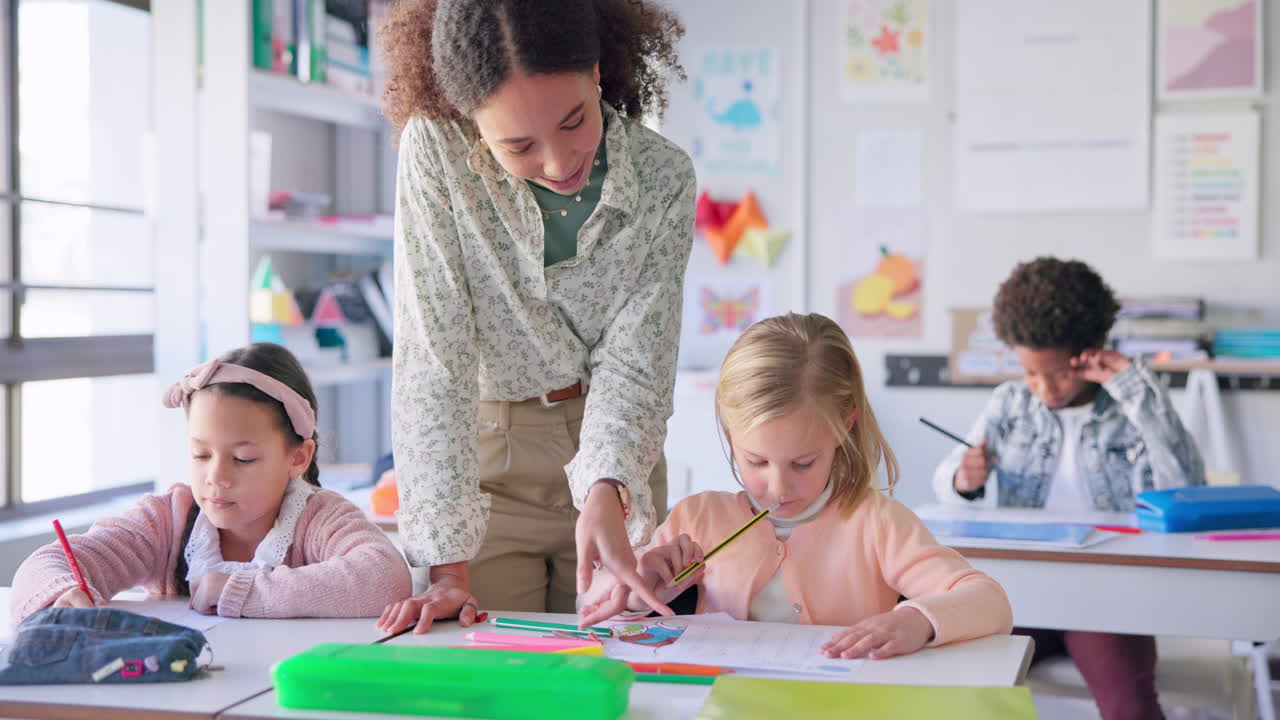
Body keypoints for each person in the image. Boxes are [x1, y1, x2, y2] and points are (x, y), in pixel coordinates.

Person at [375, 0, 696, 635]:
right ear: (471, 119)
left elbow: (636, 361)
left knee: (616, 664)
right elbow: (433, 359)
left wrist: (609, 487)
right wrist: (447, 568)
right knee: (488, 670)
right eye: (518, 145)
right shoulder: (436, 150)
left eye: (575, 121)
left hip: (612, 458)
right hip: (484, 473)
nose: (558, 162)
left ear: (596, 72)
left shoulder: (663, 177)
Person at [581, 313, 1012, 661]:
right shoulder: (697, 518)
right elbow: (592, 610)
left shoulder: (877, 523)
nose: (778, 487)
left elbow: (991, 602)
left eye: (803, 463)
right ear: (730, 432)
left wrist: (916, 620)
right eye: (756, 461)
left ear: (845, 426)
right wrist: (638, 595)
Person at [933, 257, 1206, 720]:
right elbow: (947, 482)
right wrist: (965, 479)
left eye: (1059, 372)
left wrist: (1136, 389)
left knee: (1130, 705)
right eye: (1030, 373)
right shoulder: (1010, 404)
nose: (1045, 388)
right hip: (1023, 592)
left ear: (1091, 351)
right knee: (966, 685)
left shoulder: (1130, 407)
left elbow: (1189, 488)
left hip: (1105, 597)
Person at [12, 343, 411, 621]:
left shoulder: (318, 517)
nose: (216, 477)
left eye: (243, 459)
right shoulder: (166, 521)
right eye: (201, 455)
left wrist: (243, 591)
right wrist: (62, 592)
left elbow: (385, 578)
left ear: (298, 458)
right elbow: (44, 565)